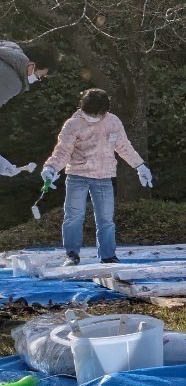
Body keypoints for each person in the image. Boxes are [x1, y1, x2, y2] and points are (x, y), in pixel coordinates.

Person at [41, 88, 152, 266]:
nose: (94, 117)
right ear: (83, 108)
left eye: (98, 114)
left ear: (105, 111)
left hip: (104, 176)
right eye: (90, 114)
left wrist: (140, 165)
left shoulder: (113, 122)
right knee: (73, 216)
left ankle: (108, 255)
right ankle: (71, 254)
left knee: (106, 219)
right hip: (77, 176)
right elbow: (63, 151)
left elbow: (124, 146)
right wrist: (51, 168)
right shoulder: (73, 124)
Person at [0, 38, 57, 111]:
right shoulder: (13, 82)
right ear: (32, 66)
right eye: (39, 76)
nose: (36, 79)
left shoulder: (5, 49)